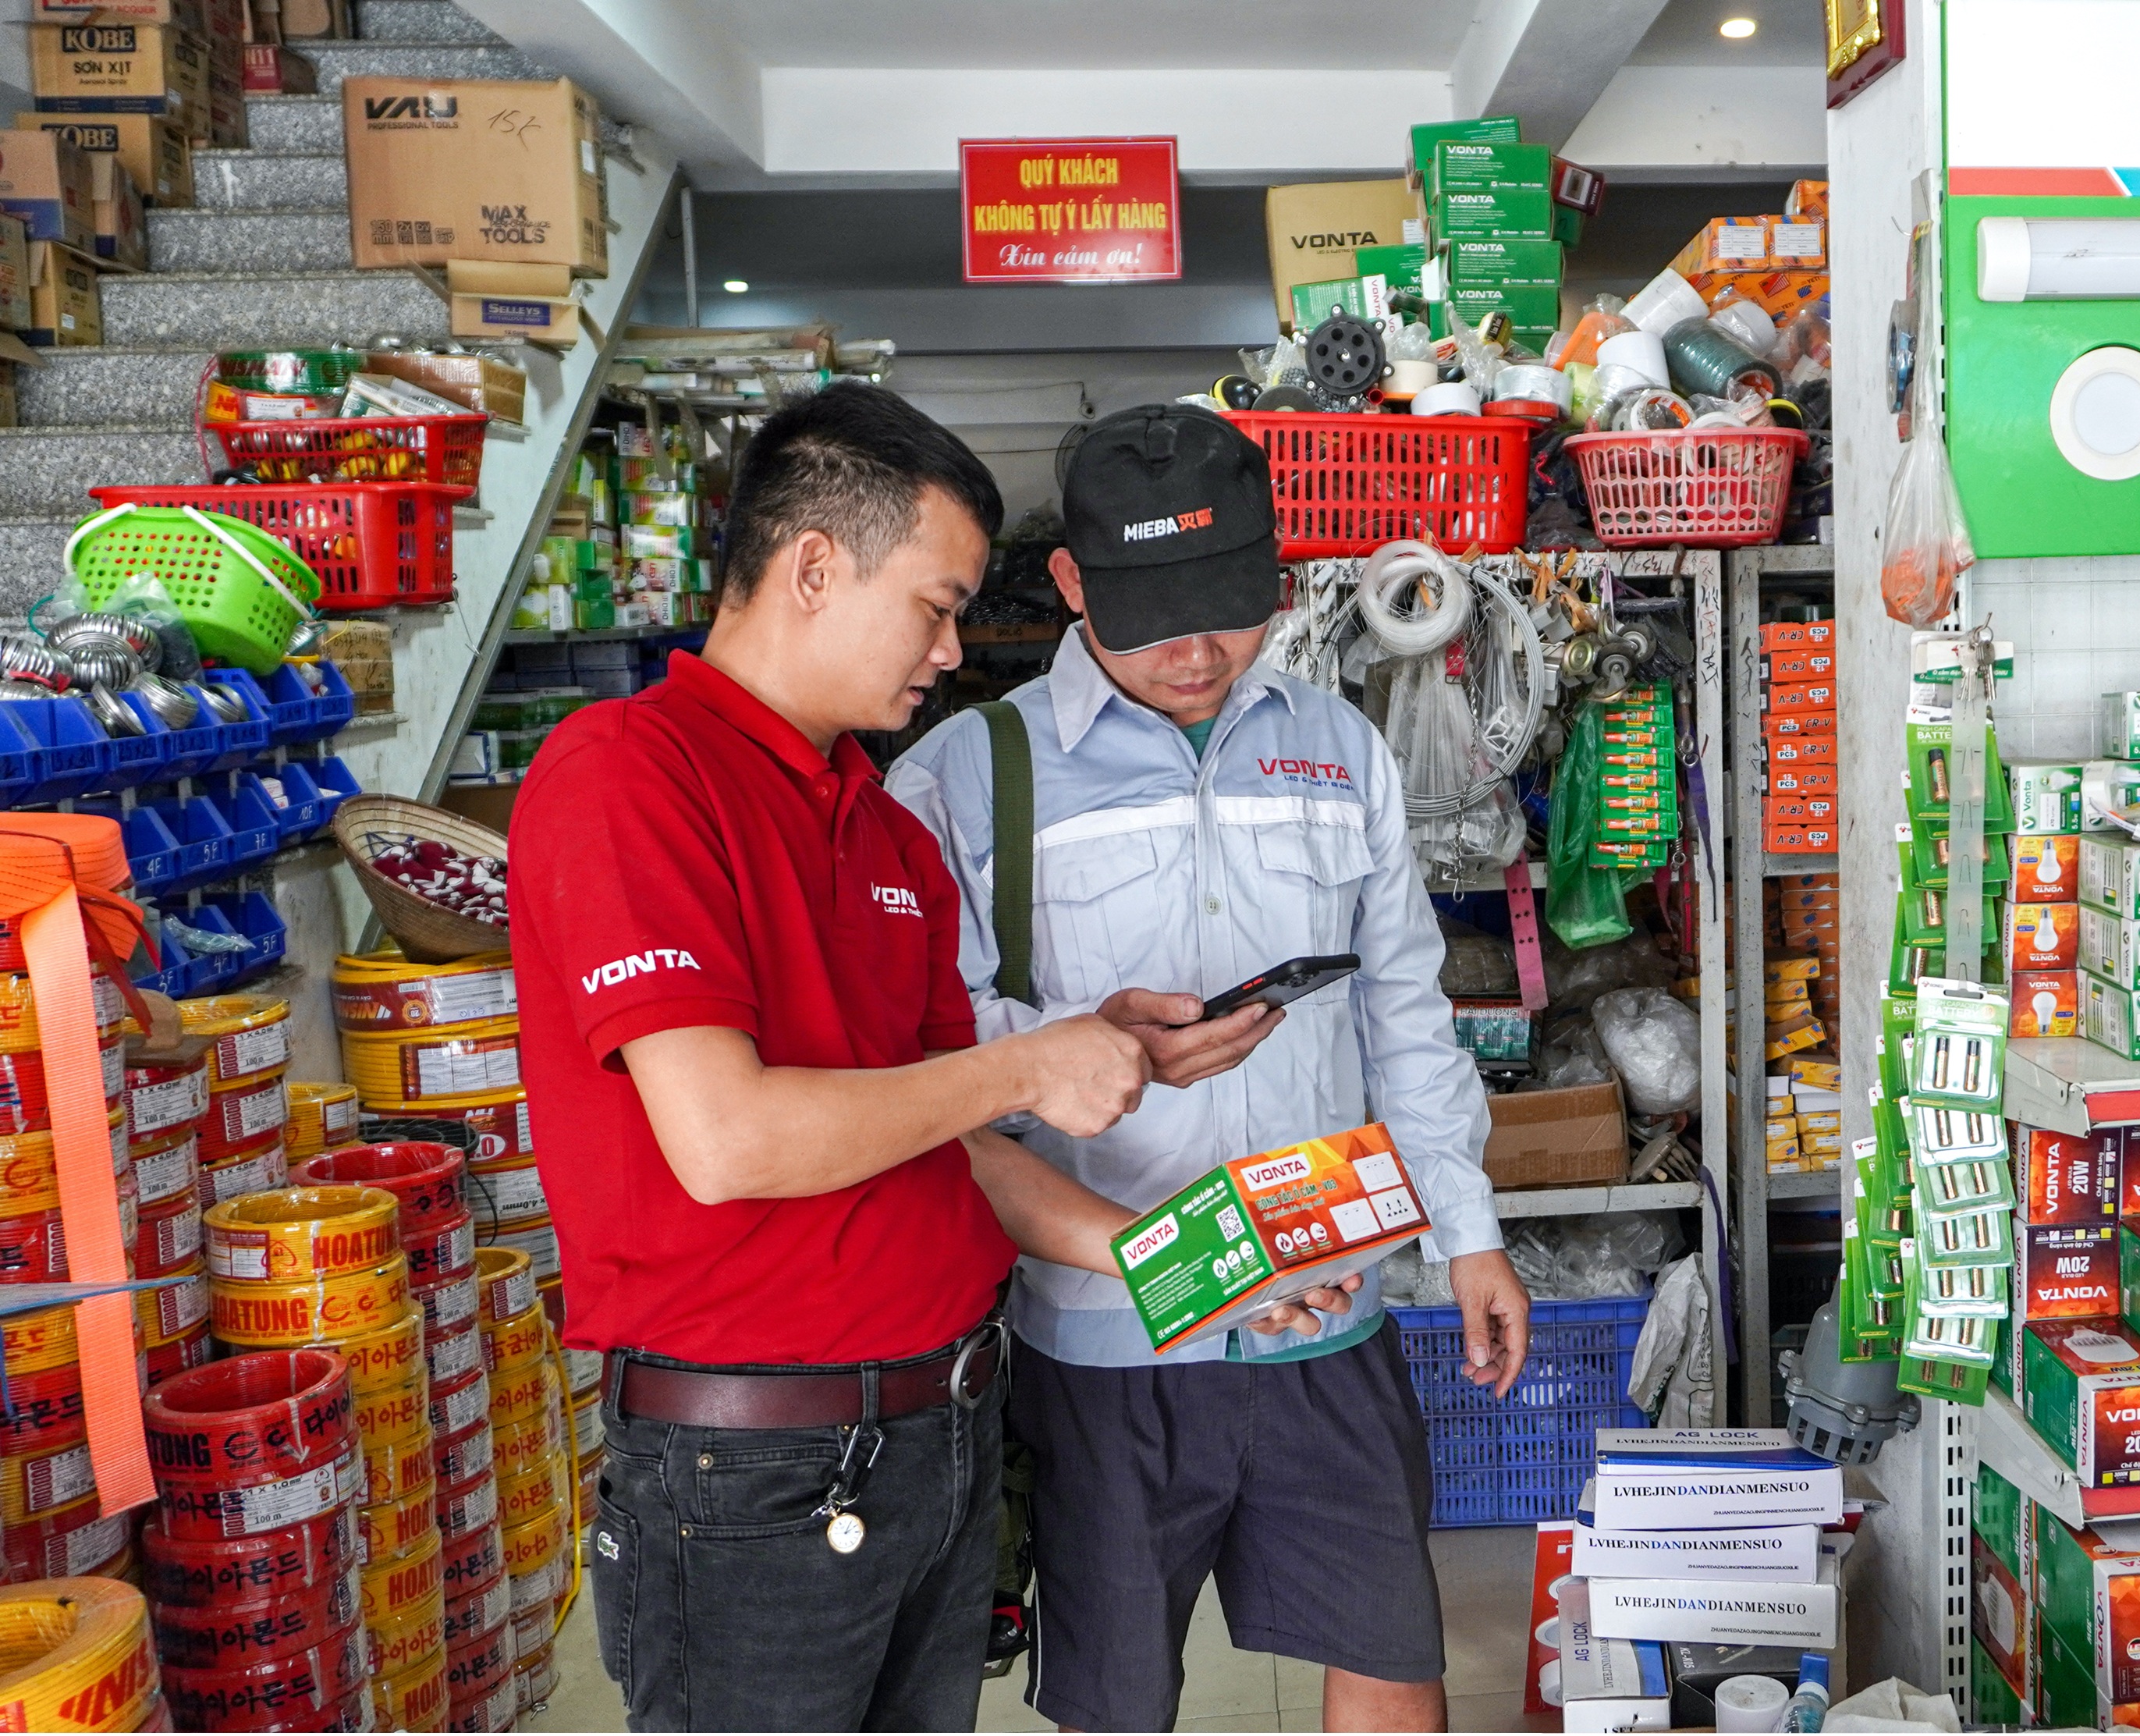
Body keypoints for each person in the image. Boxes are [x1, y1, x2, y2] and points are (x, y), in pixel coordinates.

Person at [511, 383, 1311, 1731]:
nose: (950, 650)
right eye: (933, 605)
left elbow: (958, 1146)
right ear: (813, 565)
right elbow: (727, 1140)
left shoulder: (880, 831)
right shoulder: (627, 775)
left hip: (941, 1439)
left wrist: (1197, 1269)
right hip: (752, 1474)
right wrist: (1028, 1065)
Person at [887, 404, 1532, 1734]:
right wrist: (1089, 1047)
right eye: (1156, 615)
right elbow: (929, 1077)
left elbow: (1403, 1011)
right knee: (1118, 1700)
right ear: (1070, 585)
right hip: (1107, 1337)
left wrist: (1468, 1233)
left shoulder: (1336, 746)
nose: (1197, 651)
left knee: (1394, 1658)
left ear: (1277, 572)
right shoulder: (966, 777)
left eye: (1229, 606)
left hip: (1329, 1295)